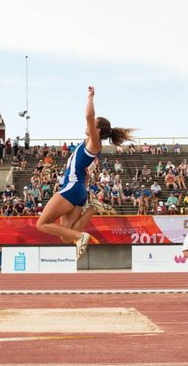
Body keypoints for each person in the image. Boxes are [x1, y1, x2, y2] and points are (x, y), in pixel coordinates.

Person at [36, 86, 134, 258]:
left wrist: (90, 97)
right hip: (79, 189)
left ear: (98, 131)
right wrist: (85, 189)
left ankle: (81, 236)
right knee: (65, 237)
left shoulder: (94, 143)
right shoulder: (88, 143)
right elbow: (86, 173)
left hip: (72, 188)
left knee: (41, 224)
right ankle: (92, 209)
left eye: (91, 125)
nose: (87, 125)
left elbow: (89, 116)